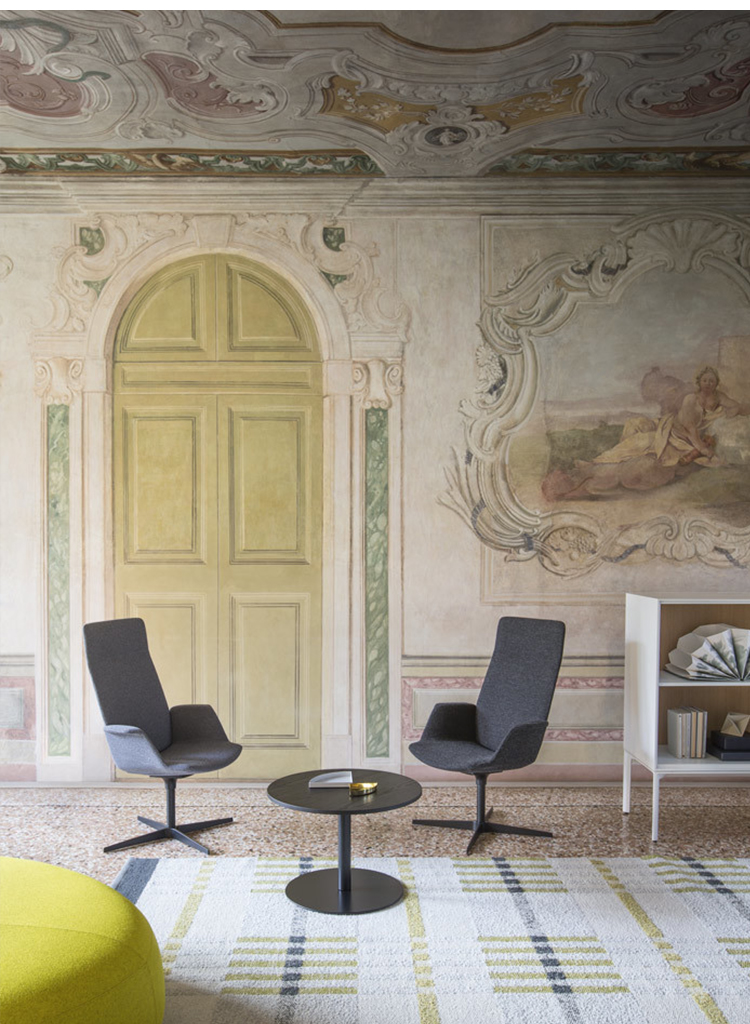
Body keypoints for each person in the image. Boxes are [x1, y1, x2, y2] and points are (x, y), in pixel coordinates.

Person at [542, 365, 750, 500]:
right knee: (637, 443)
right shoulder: (691, 400)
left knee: (642, 456)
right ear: (699, 382)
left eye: (712, 381)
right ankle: (596, 463)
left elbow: (737, 406)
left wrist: (734, 411)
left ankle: (595, 471)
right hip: (673, 434)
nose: (708, 384)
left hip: (684, 442)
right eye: (705, 380)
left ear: (716, 383)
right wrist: (703, 450)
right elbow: (691, 429)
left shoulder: (718, 397)